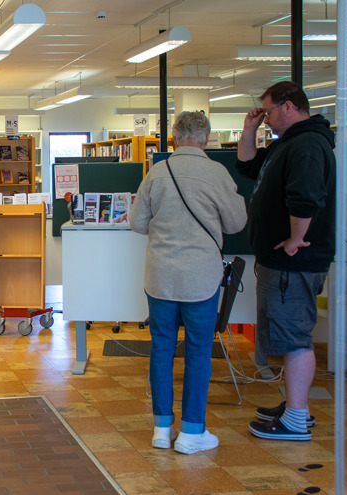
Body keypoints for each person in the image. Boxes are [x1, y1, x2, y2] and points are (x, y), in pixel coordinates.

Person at [130, 111, 247, 454]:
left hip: (161, 277)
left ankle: (161, 429)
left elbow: (138, 223)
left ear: (173, 139)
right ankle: (192, 431)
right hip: (201, 278)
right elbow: (237, 222)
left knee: (162, 348)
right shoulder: (217, 173)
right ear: (206, 138)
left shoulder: (157, 172)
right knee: (198, 351)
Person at [236, 81, 335, 441]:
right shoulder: (288, 144)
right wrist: (249, 130)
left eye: (270, 112)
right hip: (282, 262)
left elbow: (305, 197)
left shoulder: (307, 144)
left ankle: (295, 420)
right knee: (291, 335)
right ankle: (298, 407)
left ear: (289, 106)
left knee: (294, 338)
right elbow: (247, 166)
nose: (267, 119)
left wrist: (295, 239)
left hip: (294, 262)